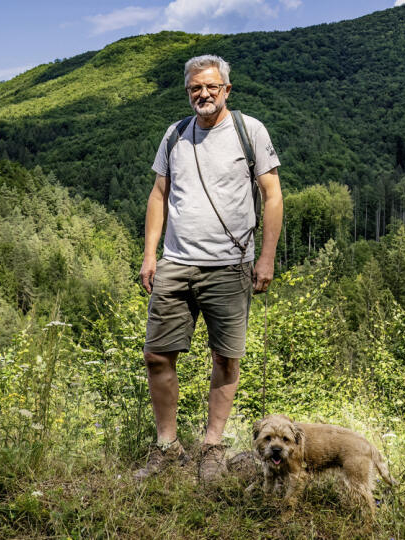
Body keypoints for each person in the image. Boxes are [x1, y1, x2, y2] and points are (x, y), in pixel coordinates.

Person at [134, 55, 283, 483]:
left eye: (211, 87)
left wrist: (266, 257)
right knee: (157, 355)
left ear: (227, 91)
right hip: (177, 263)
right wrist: (150, 254)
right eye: (195, 88)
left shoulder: (248, 131)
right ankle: (167, 447)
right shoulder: (175, 134)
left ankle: (212, 447)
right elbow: (158, 195)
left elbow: (272, 196)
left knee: (226, 358)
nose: (203, 94)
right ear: (188, 91)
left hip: (230, 265)